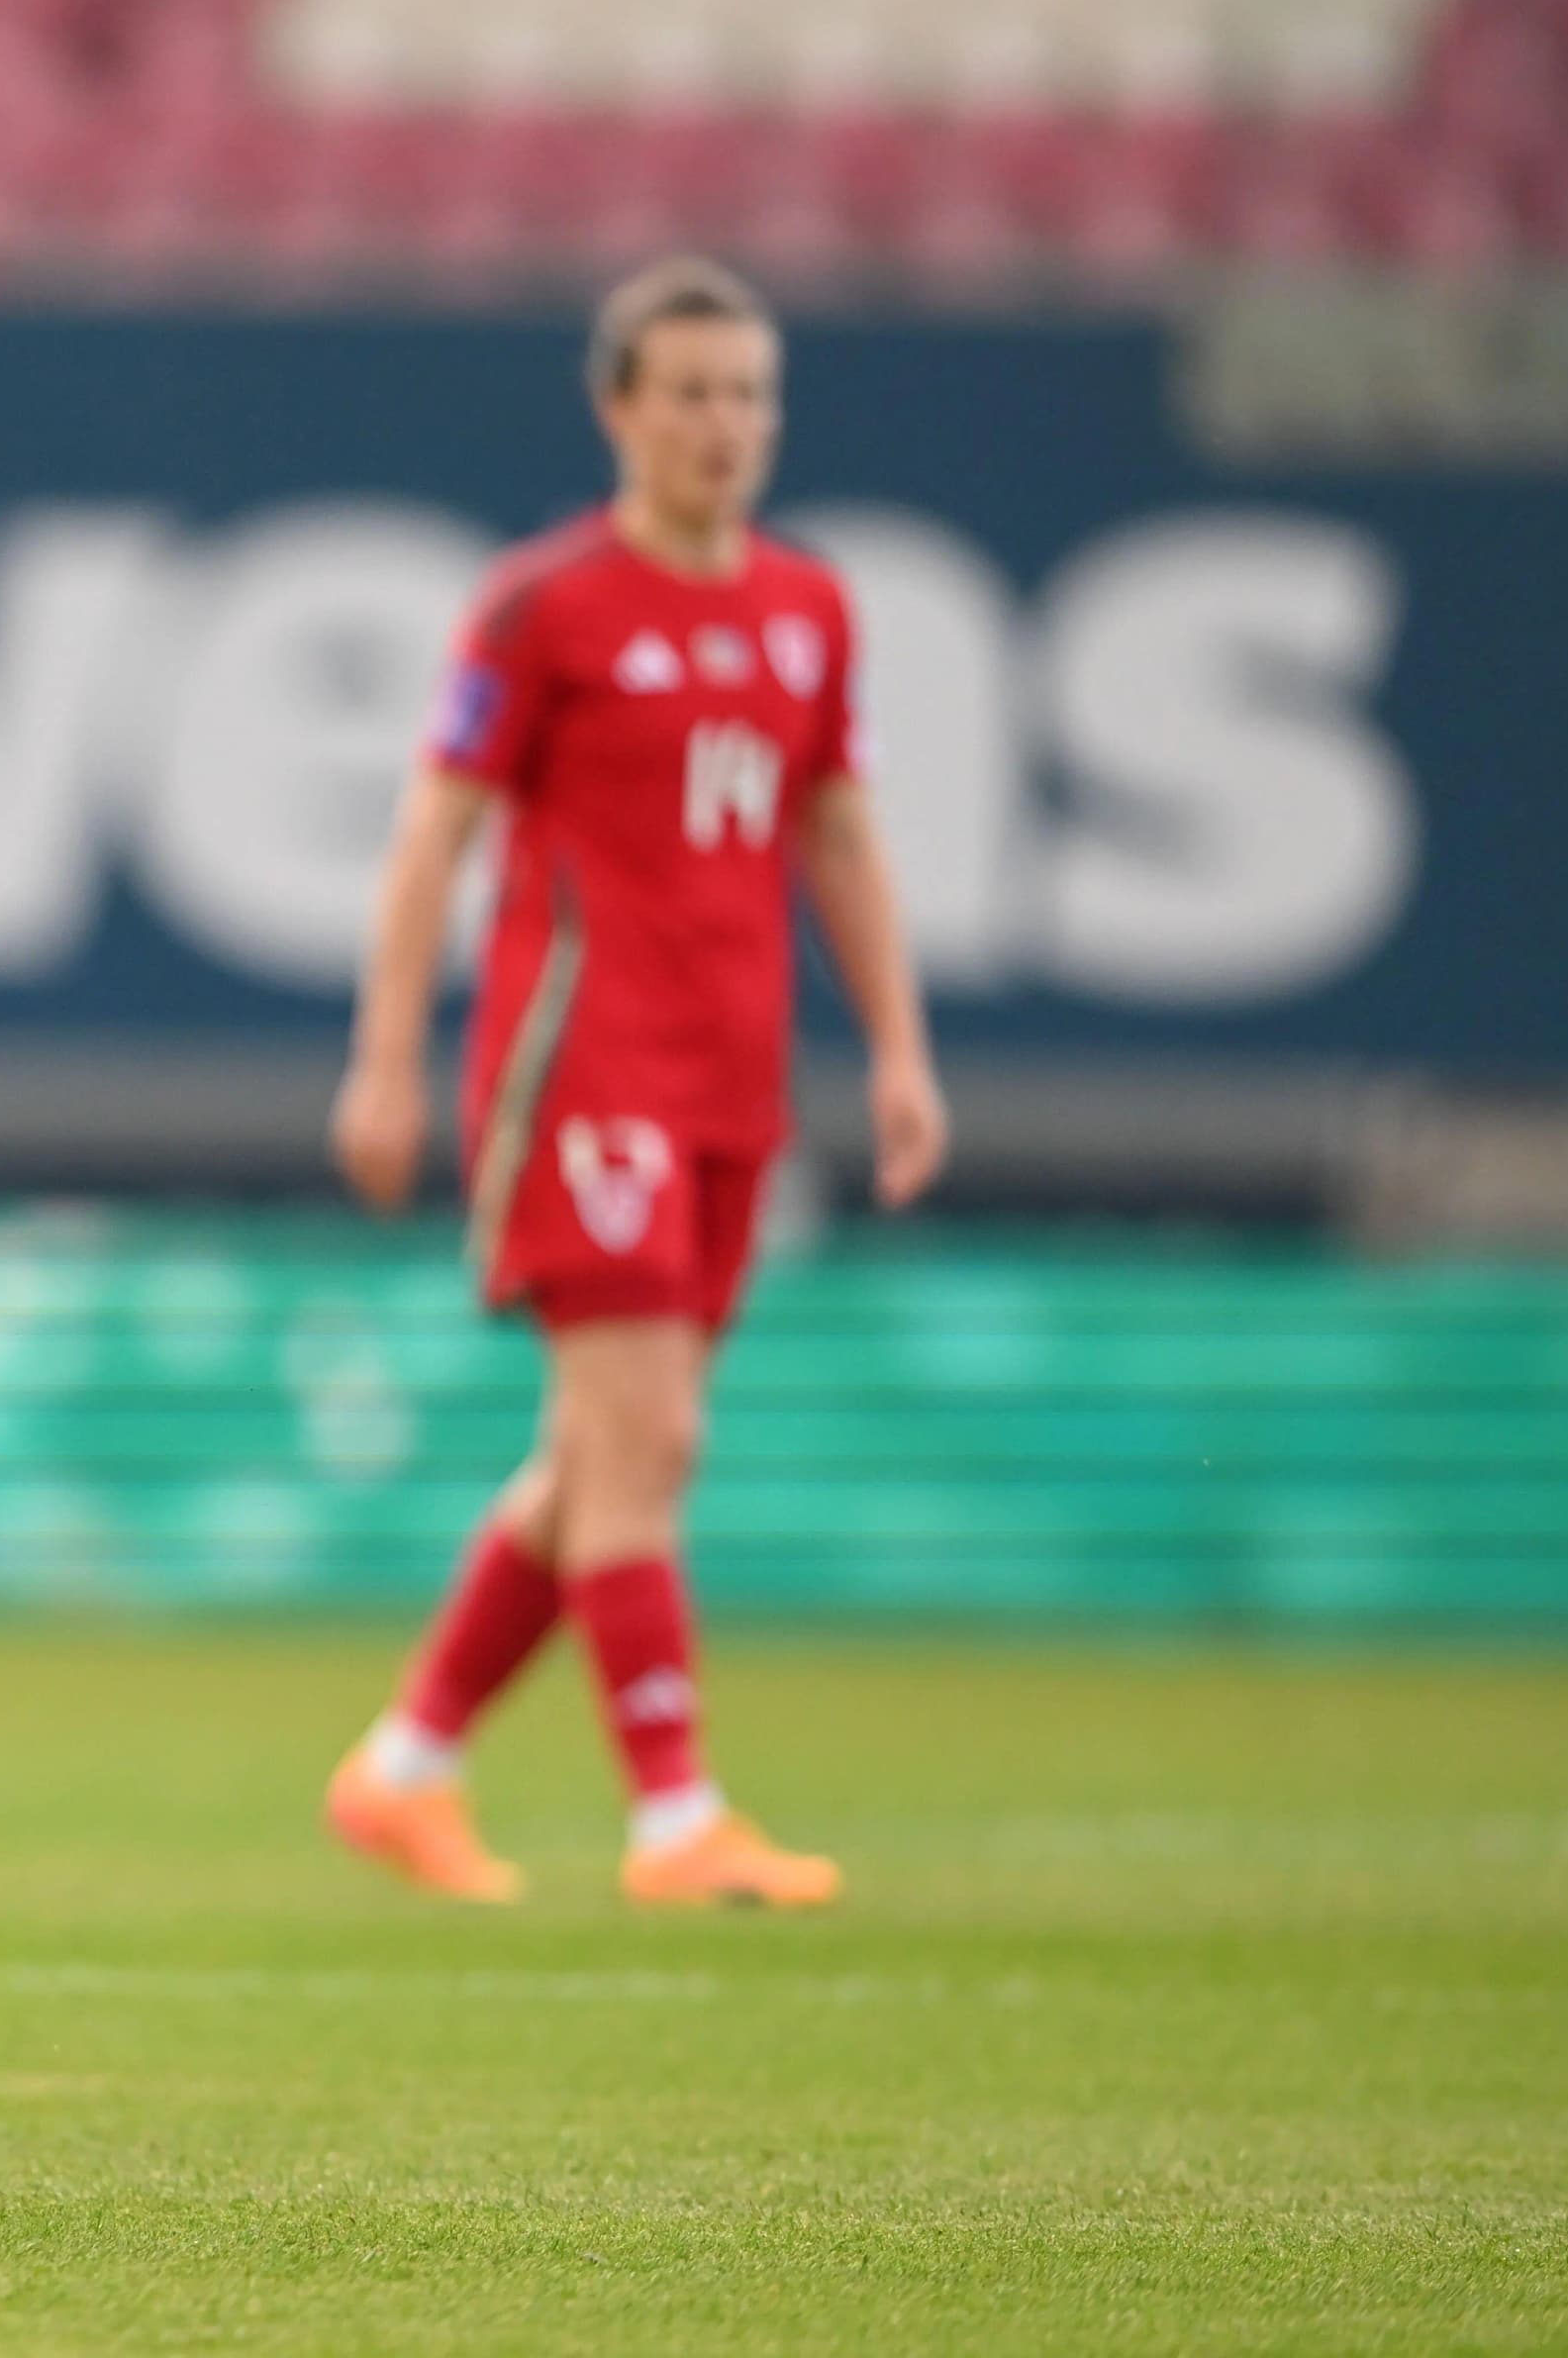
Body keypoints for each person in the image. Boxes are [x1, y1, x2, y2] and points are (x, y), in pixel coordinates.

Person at [322, 256, 947, 1909]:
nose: (722, 425)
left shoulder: (811, 609)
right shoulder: (546, 606)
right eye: (689, 392)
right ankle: (675, 1815)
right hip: (582, 1072)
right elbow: (435, 832)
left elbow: (836, 826)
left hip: (735, 1083)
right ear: (620, 409)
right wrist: (386, 1061)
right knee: (644, 1430)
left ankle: (404, 1768)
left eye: (747, 393)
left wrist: (897, 1047)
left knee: (607, 1455)